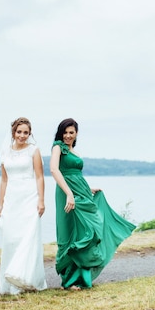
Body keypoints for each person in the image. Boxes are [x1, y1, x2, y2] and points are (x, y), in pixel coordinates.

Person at [50, 118, 136, 290]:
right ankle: (68, 280)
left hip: (82, 192)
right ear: (61, 133)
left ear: (76, 134)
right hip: (66, 193)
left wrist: (88, 189)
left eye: (71, 132)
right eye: (65, 132)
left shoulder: (74, 151)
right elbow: (54, 170)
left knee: (88, 230)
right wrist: (69, 194)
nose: (68, 135)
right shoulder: (57, 147)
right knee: (70, 232)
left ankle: (80, 278)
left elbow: (77, 176)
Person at [0, 117, 47, 294]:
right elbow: (4, 180)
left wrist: (41, 200)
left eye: (26, 132)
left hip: (29, 197)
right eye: (19, 132)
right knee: (11, 238)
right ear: (13, 132)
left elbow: (40, 177)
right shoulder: (5, 152)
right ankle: (11, 281)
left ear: (29, 133)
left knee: (28, 236)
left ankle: (28, 278)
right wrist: (1, 204)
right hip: (12, 198)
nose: (22, 135)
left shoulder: (34, 151)